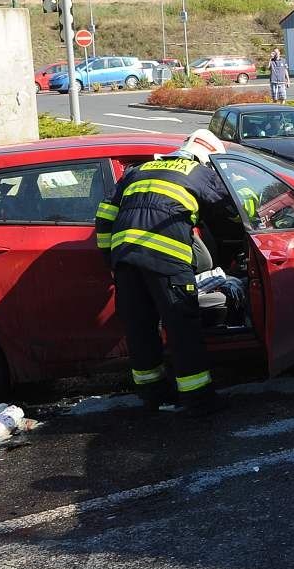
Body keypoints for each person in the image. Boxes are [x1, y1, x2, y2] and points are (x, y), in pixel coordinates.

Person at [94, 128, 234, 414]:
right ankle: (197, 399)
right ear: (207, 158)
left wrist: (112, 260)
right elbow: (228, 211)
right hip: (167, 260)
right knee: (182, 327)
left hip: (125, 259)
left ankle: (153, 395)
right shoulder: (198, 172)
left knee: (140, 328)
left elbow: (104, 216)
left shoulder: (137, 171)